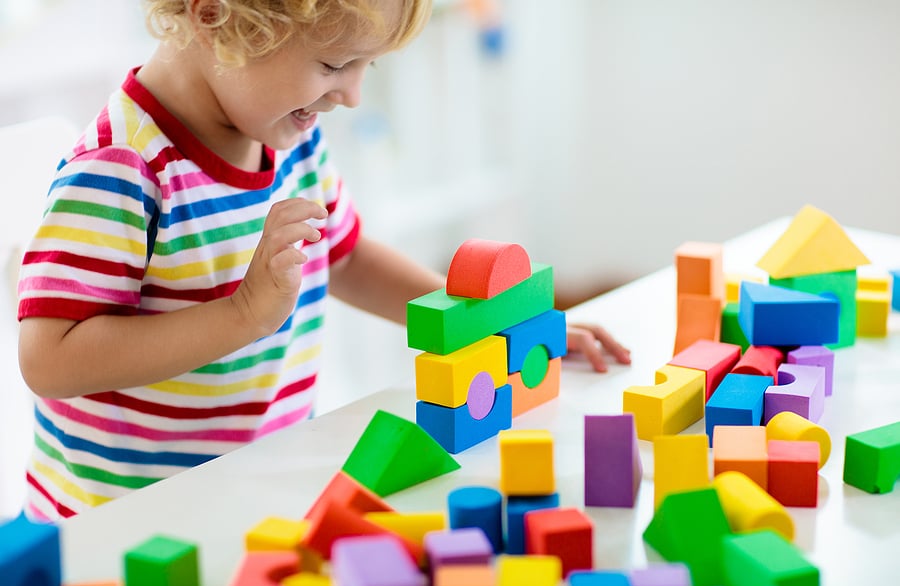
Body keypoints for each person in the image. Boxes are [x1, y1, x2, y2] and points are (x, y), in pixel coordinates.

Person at [16, 0, 629, 521]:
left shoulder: (289, 135)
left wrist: (498, 325)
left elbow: (347, 258)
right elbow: (50, 358)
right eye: (335, 64)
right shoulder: (120, 167)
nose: (354, 95)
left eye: (367, 66)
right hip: (123, 517)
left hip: (250, 489)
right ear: (216, 18)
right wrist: (245, 315)